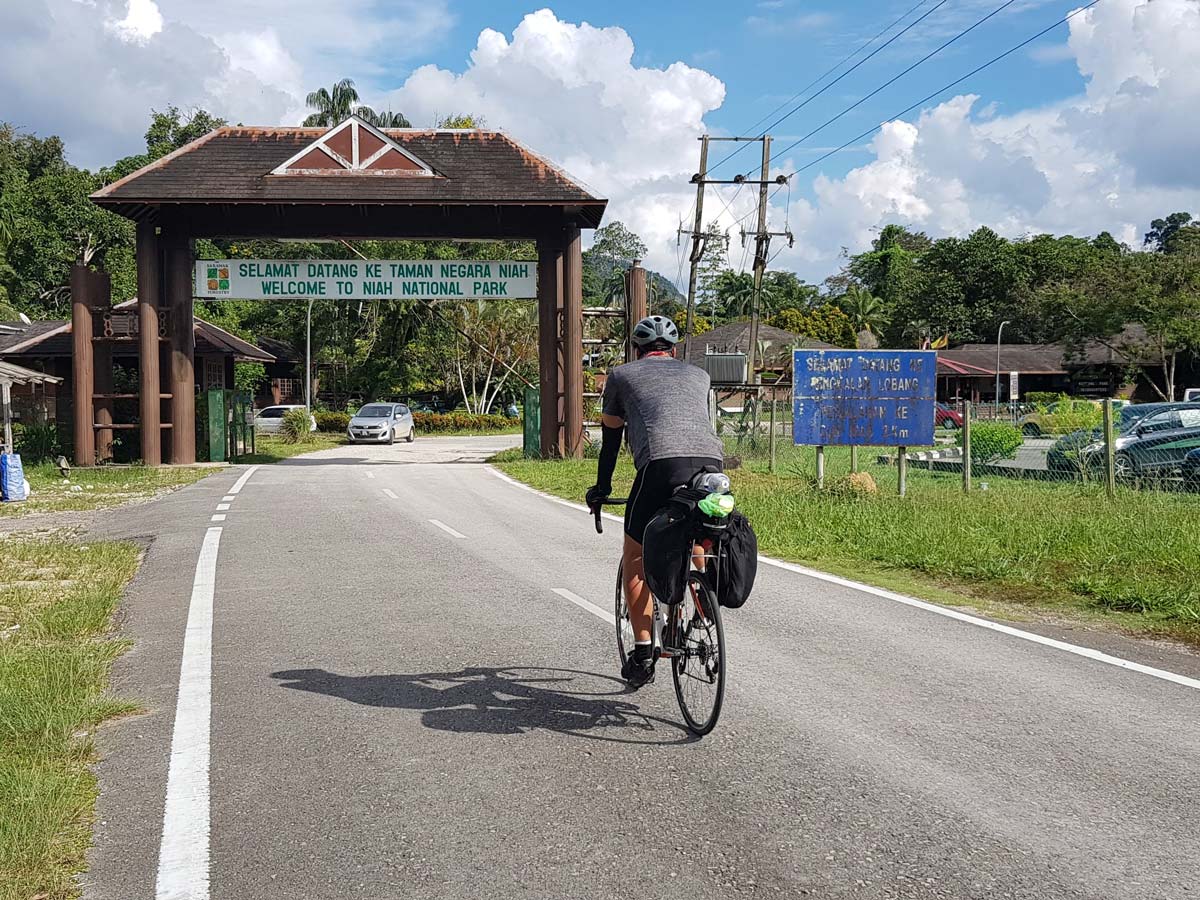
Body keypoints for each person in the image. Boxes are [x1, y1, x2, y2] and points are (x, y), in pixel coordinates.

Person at [586, 315, 723, 687]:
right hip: (712, 465)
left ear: (636, 350)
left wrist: (601, 489)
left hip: (661, 466)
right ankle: (703, 603)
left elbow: (611, 441)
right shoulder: (699, 376)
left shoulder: (621, 376)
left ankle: (644, 651)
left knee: (635, 556)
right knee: (696, 531)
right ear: (674, 351)